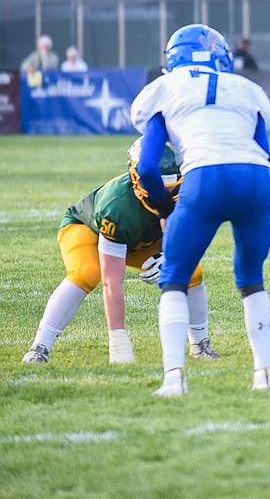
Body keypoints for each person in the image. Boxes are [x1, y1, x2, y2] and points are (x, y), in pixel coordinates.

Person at [130, 23, 270, 397]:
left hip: (205, 177)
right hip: (256, 178)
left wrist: (165, 207)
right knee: (250, 278)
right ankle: (264, 375)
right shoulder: (248, 89)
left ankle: (174, 378)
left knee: (175, 277)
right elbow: (267, 156)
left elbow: (148, 167)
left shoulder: (163, 89)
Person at [22, 139, 220, 365]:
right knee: (87, 273)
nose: (162, 195)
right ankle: (40, 346)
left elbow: (187, 235)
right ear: (135, 178)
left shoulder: (189, 190)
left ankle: (200, 343)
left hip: (141, 238)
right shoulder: (117, 207)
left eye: (170, 187)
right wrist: (118, 337)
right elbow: (111, 282)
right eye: (154, 186)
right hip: (88, 229)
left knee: (191, 271)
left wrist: (170, 258)